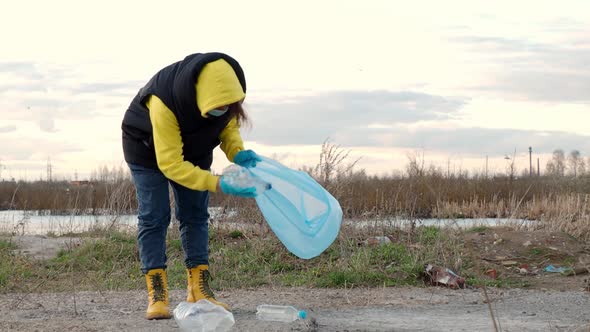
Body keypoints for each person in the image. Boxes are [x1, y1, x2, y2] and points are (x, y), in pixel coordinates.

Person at [121, 52, 261, 320]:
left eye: (227, 108)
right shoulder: (164, 100)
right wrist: (218, 184)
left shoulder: (226, 96)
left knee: (195, 215)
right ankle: (157, 294)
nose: (220, 113)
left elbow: (228, 130)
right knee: (154, 216)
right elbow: (171, 164)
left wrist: (238, 153)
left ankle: (200, 289)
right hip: (146, 148)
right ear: (200, 99)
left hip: (194, 148)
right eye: (215, 109)